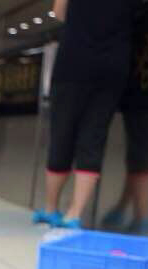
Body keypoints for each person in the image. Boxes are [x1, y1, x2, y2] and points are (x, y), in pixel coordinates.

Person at [34, 0, 135, 228]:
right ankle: (74, 214)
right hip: (113, 66)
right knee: (93, 139)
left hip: (74, 62)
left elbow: (59, 13)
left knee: (62, 134)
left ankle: (50, 209)